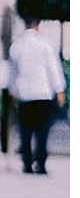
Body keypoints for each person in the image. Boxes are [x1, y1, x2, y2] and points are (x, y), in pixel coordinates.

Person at [7, 18, 66, 175]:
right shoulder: (45, 44)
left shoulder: (17, 46)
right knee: (42, 132)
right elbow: (53, 68)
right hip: (43, 93)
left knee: (25, 131)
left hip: (25, 94)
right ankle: (40, 163)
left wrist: (13, 90)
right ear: (38, 25)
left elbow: (12, 71)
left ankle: (26, 163)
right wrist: (59, 89)